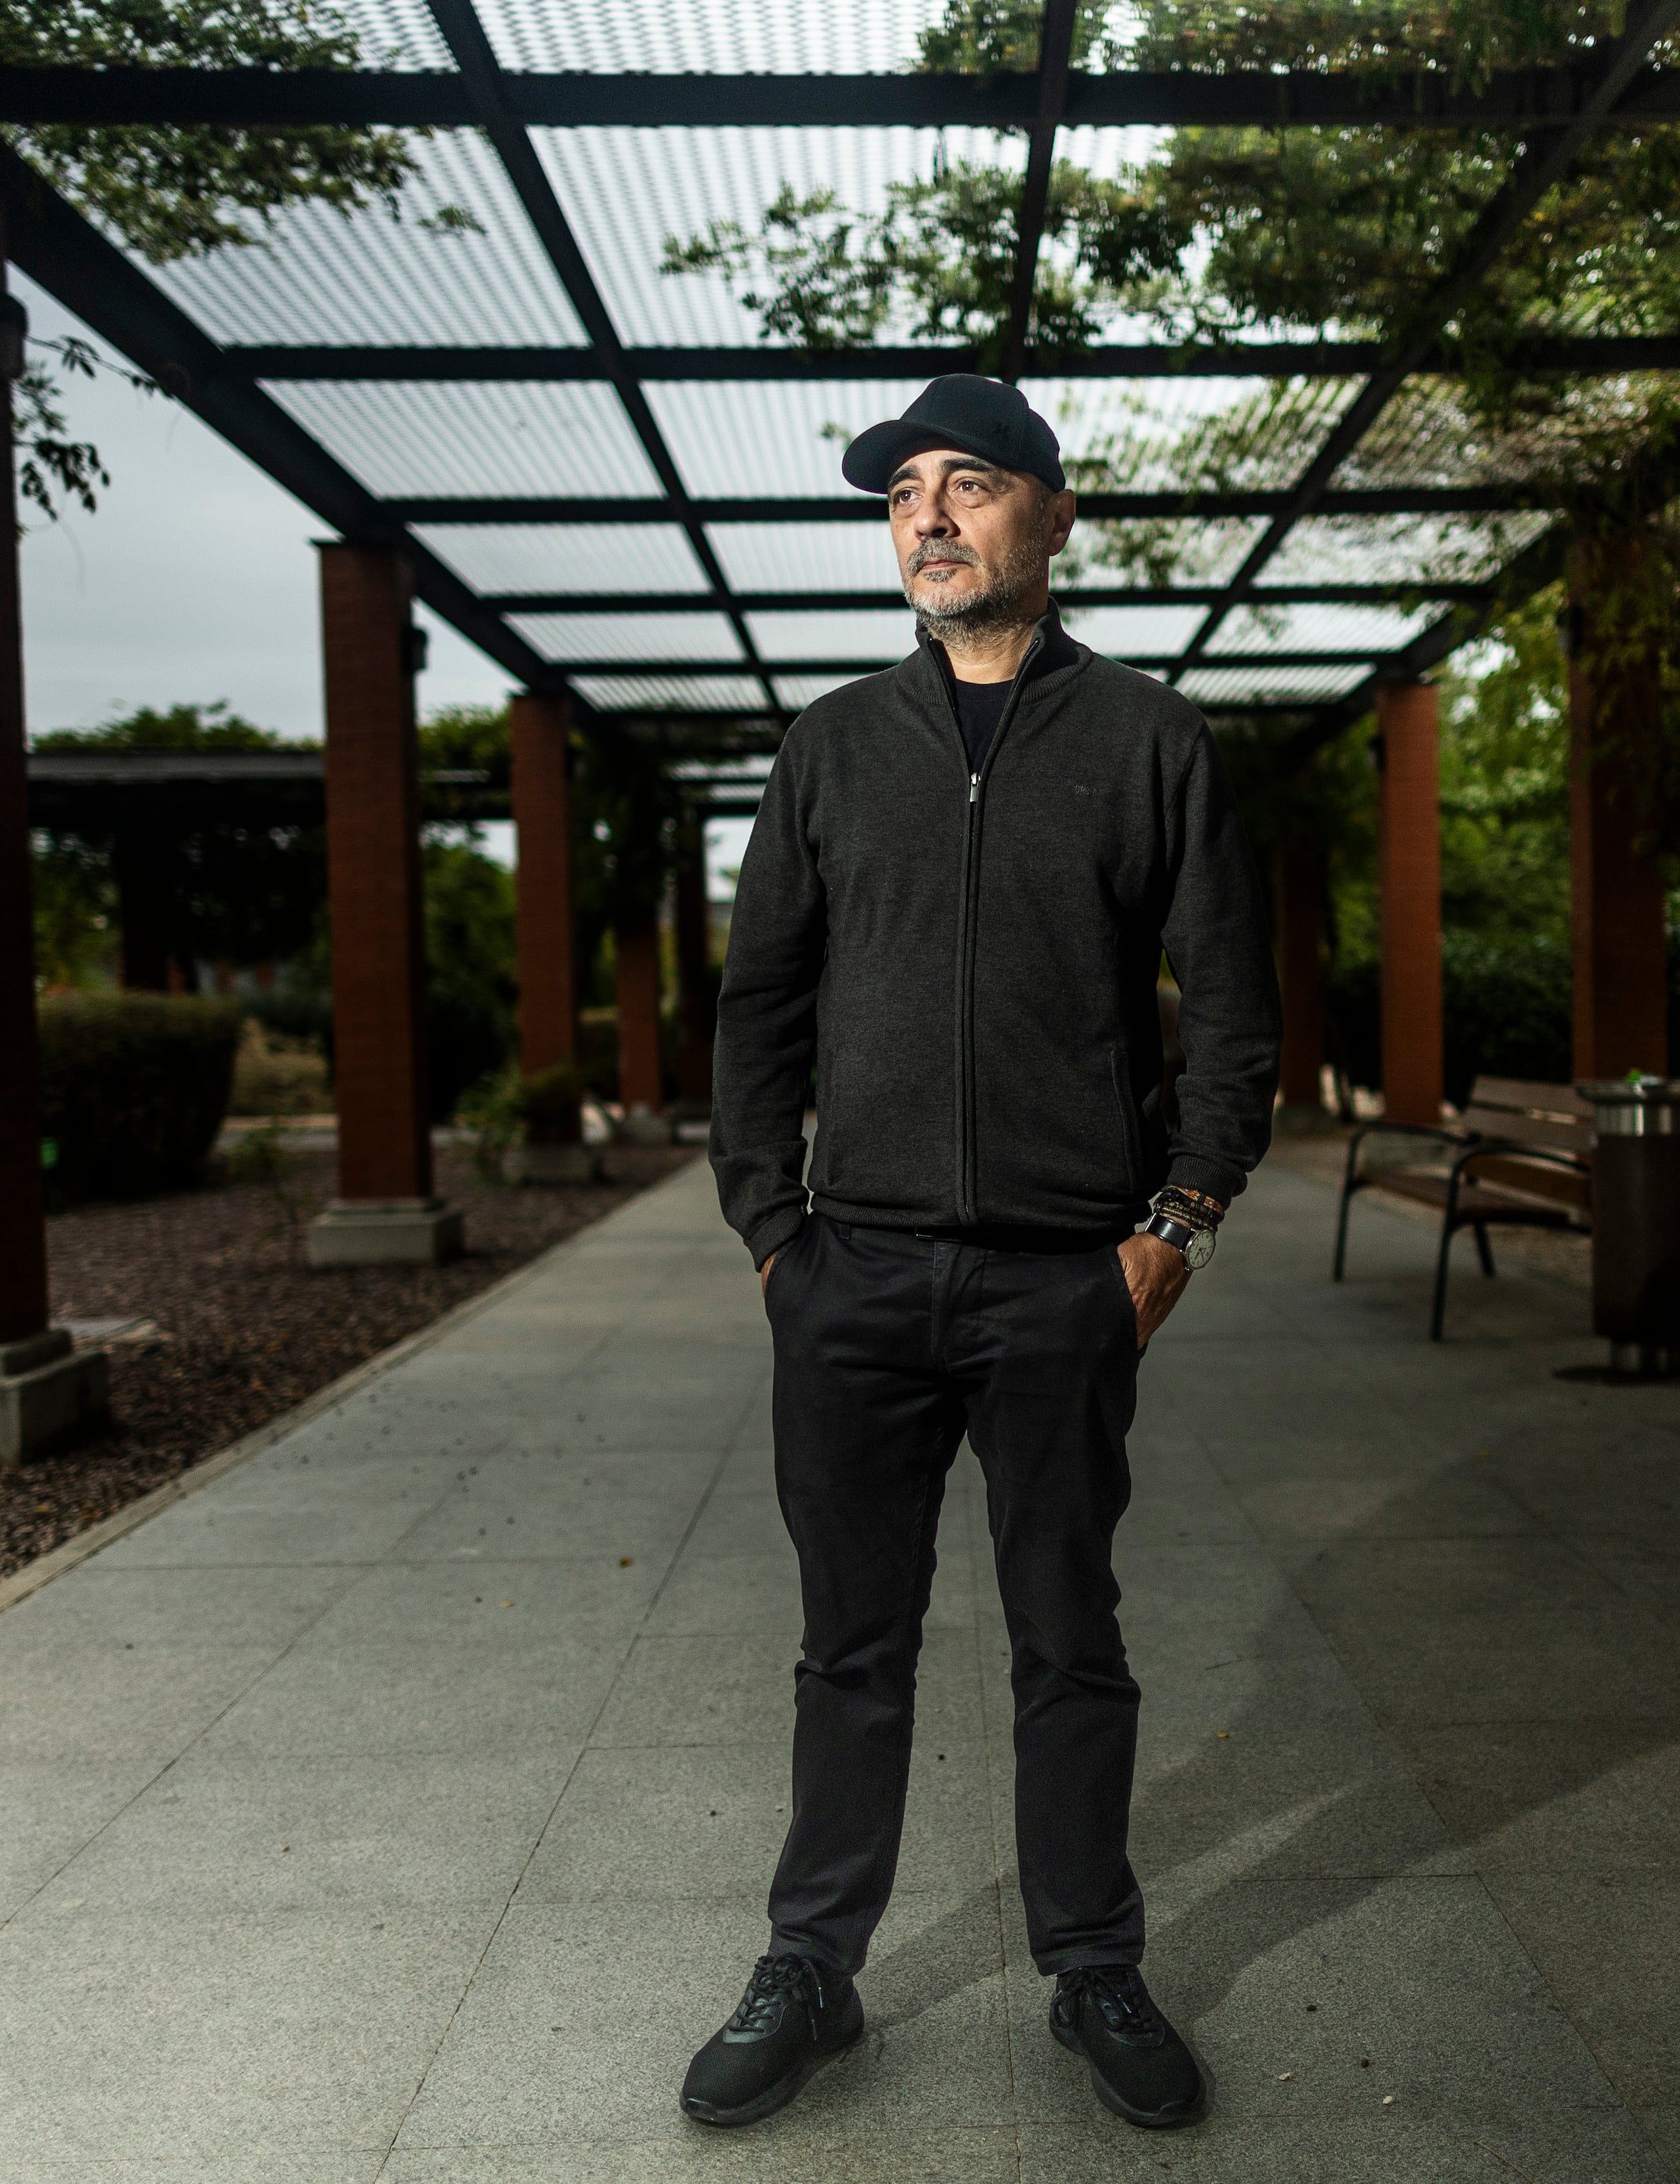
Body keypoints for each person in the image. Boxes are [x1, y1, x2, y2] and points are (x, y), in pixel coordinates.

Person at [686, 375, 1281, 2132]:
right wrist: (771, 1235)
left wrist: (1173, 1228)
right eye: (902, 499)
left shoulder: (1151, 744)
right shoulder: (832, 748)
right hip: (851, 1282)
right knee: (848, 1648)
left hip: (1057, 1284)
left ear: (1052, 518)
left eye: (969, 487)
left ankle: (1092, 1961)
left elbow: (1234, 1020)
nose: (928, 520)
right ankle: (814, 1965)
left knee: (1066, 1639)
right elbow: (757, 1012)